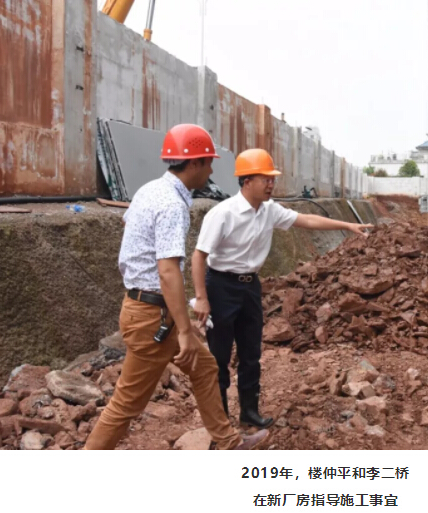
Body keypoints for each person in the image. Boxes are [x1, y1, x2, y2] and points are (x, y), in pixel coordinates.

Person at [85, 124, 268, 450]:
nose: (211, 170)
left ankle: (228, 443)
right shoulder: (172, 205)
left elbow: (133, 229)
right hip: (152, 316)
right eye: (208, 162)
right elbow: (168, 271)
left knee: (205, 367)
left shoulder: (149, 190)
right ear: (194, 163)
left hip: (152, 309)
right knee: (126, 403)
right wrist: (184, 330)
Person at [191, 148, 373, 428]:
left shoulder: (269, 211)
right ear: (247, 181)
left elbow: (306, 220)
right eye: (266, 179)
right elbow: (199, 256)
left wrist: (347, 225)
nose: (271, 184)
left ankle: (249, 412)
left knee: (251, 354)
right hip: (221, 287)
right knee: (219, 357)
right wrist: (201, 298)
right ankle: (220, 423)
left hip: (250, 287)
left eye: (272, 179)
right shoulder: (223, 214)